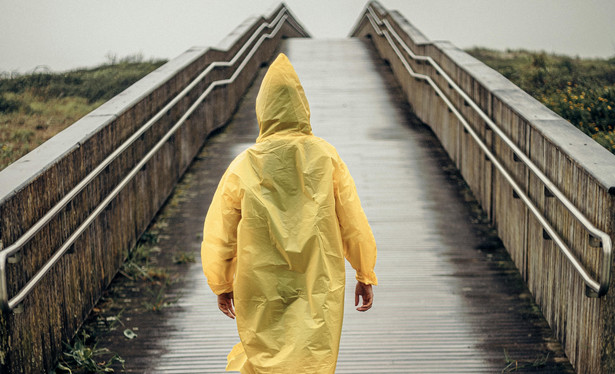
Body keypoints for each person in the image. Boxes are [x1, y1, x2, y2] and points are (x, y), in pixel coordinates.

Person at [201, 53, 378, 373]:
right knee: (312, 359)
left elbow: (220, 232)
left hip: (261, 286)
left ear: (263, 110)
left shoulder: (243, 165)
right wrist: (364, 272)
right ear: (302, 108)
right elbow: (353, 221)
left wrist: (222, 283)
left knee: (266, 360)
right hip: (317, 282)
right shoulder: (326, 157)